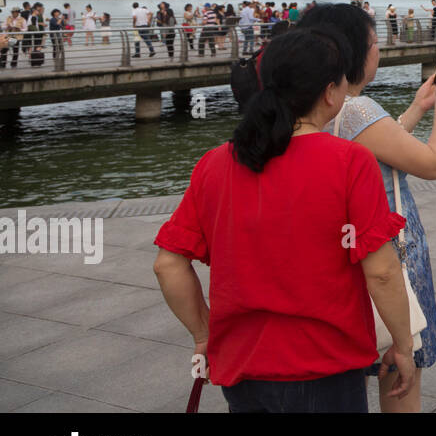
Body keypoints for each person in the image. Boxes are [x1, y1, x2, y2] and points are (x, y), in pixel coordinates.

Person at [152, 26, 416, 413]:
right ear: (329, 92)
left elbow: (167, 263)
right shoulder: (348, 162)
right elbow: (382, 271)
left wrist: (204, 335)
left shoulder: (216, 163)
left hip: (242, 368)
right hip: (325, 366)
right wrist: (404, 345)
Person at [299, 2, 436, 413]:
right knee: (401, 374)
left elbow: (378, 147)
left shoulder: (323, 109)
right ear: (352, 51)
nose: (379, 50)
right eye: (375, 42)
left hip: (345, 251)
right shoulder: (358, 109)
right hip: (391, 251)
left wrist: (417, 108)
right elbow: (433, 164)